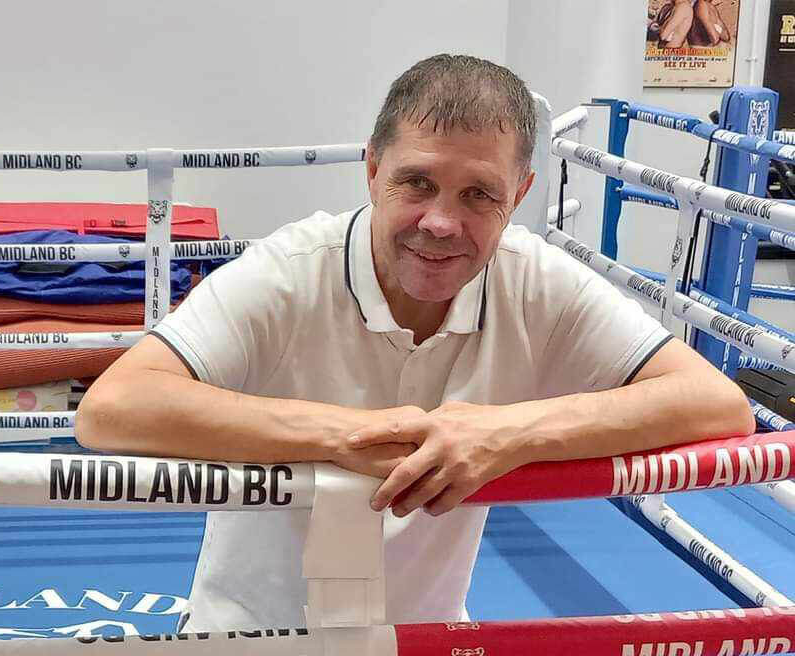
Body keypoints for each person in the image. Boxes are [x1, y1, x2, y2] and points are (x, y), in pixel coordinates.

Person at [76, 54, 754, 631]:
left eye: (478, 195)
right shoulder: (288, 272)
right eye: (417, 182)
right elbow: (114, 408)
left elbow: (715, 405)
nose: (440, 222)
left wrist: (505, 434)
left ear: (517, 196)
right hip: (251, 637)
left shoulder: (534, 281)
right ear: (372, 170)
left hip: (426, 642)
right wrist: (341, 434)